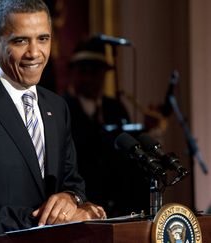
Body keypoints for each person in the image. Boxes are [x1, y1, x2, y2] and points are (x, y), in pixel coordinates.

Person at [0, 0, 106, 242]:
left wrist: (71, 199)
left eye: (43, 39)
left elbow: (73, 184)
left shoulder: (56, 106)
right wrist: (50, 220)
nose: (35, 53)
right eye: (21, 41)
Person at [63, 37, 149, 217]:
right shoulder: (62, 108)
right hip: (83, 202)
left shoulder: (116, 108)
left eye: (95, 72)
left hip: (119, 203)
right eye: (83, 71)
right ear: (73, 72)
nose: (88, 78)